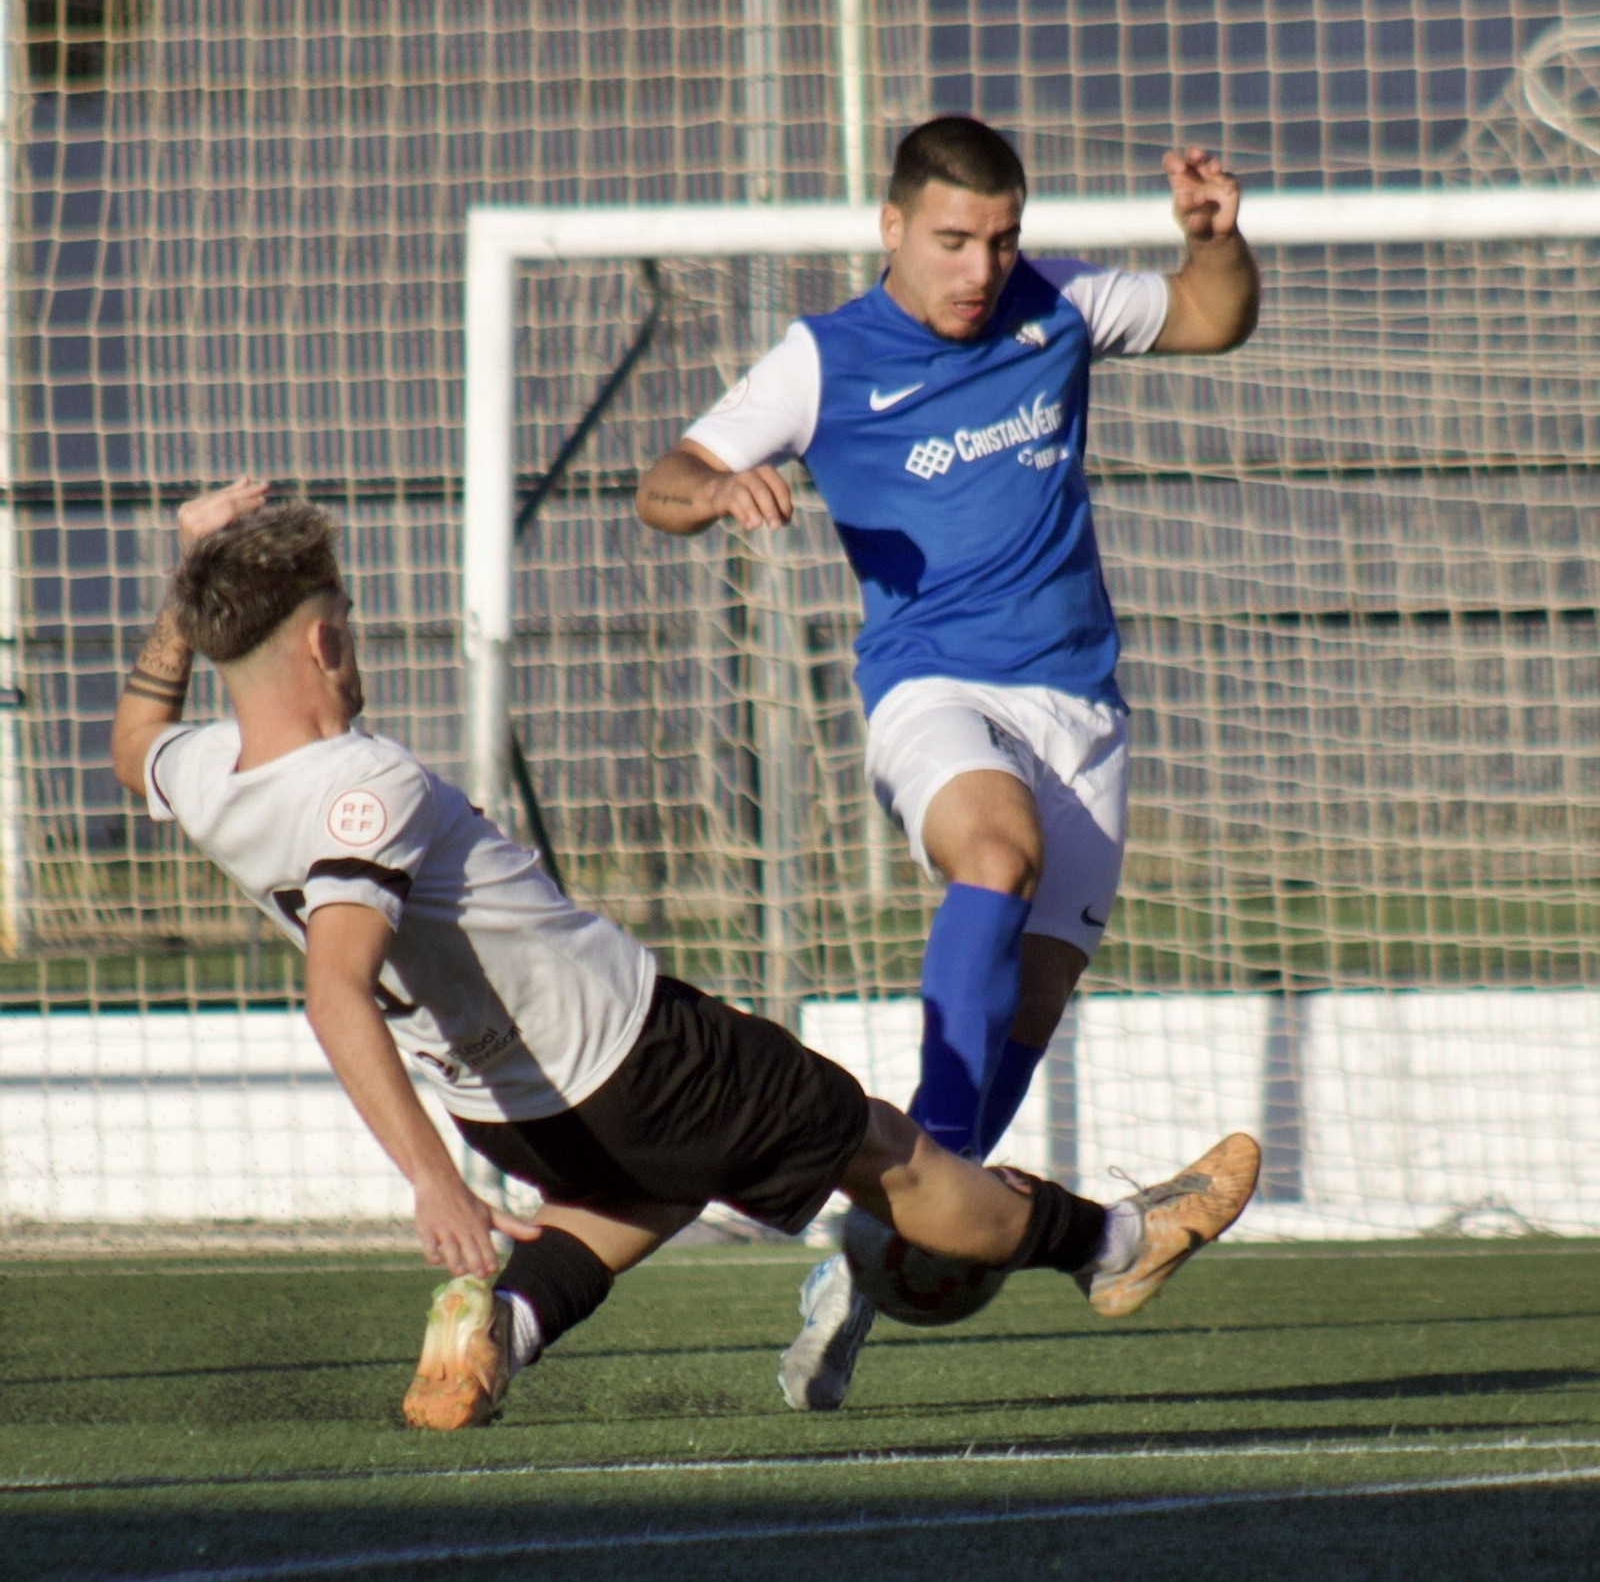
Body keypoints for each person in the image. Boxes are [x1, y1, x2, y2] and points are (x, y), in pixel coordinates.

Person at [109, 480, 1260, 1429]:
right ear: (325, 639)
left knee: (643, 1191)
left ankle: (495, 1333)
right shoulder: (363, 784)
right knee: (888, 1153)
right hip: (638, 1052)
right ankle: (1108, 1243)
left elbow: (134, 744)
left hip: (507, 1100)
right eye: (346, 624)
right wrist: (429, 1182)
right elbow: (334, 987)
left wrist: (190, 572)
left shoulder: (210, 775)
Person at [636, 116, 1260, 1410]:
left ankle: (862, 1269)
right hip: (931, 687)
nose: (980, 267)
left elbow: (1212, 318)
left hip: (1084, 711)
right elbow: (669, 475)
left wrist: (1217, 241)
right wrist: (721, 493)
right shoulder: (824, 359)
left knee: (1008, 1037)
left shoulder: (1062, 301)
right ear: (892, 227)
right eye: (953, 239)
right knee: (994, 852)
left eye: (1001, 237)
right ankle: (1034, 1240)